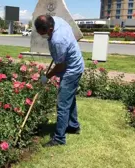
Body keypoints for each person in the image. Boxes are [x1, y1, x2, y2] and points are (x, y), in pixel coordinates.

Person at [35, 15, 84, 147]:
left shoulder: (58, 41)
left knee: (62, 104)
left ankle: (59, 138)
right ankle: (73, 126)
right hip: (74, 64)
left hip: (71, 70)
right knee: (70, 98)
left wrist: (47, 77)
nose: (42, 36)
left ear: (50, 29)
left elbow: (60, 66)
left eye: (43, 34)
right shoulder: (57, 20)